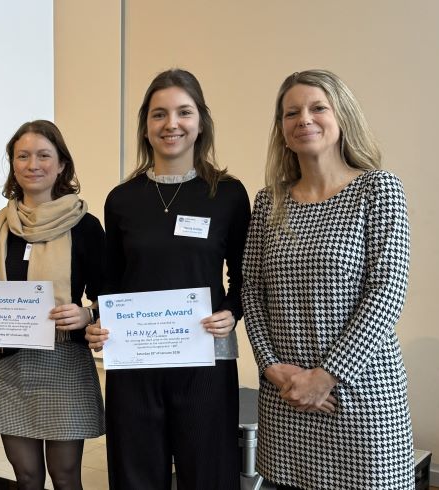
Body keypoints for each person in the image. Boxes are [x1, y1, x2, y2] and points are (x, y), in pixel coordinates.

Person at [240, 69, 413, 490]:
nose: (304, 119)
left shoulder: (378, 189)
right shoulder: (269, 202)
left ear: (342, 118)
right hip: (286, 395)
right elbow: (251, 290)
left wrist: (326, 376)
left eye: (318, 108)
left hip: (359, 394)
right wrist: (270, 366)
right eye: (291, 113)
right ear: (282, 131)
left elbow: (387, 292)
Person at [85, 69, 250, 490]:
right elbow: (111, 282)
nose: (171, 124)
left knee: (209, 476)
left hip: (205, 359)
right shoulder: (122, 199)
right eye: (159, 114)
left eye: (183, 112)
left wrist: (231, 312)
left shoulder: (228, 194)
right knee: (135, 477)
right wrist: (100, 321)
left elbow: (245, 277)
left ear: (201, 122)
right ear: (145, 126)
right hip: (135, 363)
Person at [0, 120, 105, 490]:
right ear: (13, 164)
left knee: (65, 477)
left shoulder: (85, 226)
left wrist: (86, 314)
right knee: (26, 477)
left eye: (43, 155)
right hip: (9, 365)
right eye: (23, 156)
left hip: (64, 362)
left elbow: (109, 298)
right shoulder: (0, 225)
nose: (33, 164)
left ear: (62, 164)